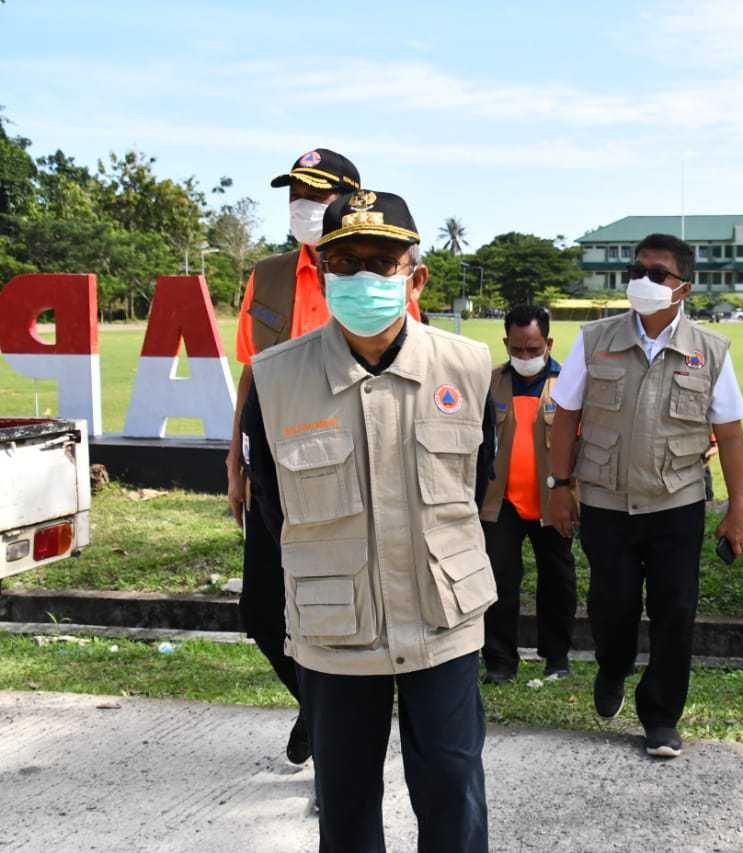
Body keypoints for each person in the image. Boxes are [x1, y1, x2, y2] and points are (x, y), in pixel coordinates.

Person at [243, 189, 494, 851]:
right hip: (337, 625)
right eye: (344, 262)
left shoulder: (468, 367)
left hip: (442, 617)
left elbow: (477, 485)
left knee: (453, 788)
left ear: (416, 276)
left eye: (381, 262)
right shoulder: (276, 379)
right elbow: (272, 506)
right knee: (347, 801)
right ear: (323, 273)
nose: (362, 277)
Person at [547, 233, 743, 759]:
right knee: (611, 605)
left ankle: (661, 717)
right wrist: (559, 486)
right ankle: (613, 667)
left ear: (684, 287)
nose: (642, 281)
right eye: (636, 271)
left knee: (675, 611)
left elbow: (730, 434)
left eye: (656, 273)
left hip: (676, 502)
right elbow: (565, 416)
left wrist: (737, 510)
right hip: (605, 502)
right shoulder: (595, 340)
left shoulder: (709, 351)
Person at [227, 147, 361, 765]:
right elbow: (250, 371)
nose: (301, 206)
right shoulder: (269, 275)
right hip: (272, 456)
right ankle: (317, 705)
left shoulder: (373, 270)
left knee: (333, 602)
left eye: (315, 194)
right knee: (261, 609)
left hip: (343, 457)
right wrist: (235, 459)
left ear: (348, 199)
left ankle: (336, 731)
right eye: (294, 195)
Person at [479, 305, 577, 684]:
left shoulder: (569, 384)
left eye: (533, 349)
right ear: (506, 342)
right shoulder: (489, 383)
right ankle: (500, 663)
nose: (525, 357)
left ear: (549, 342)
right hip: (500, 501)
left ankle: (557, 658)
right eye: (517, 349)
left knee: (557, 581)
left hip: (553, 501)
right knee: (499, 581)